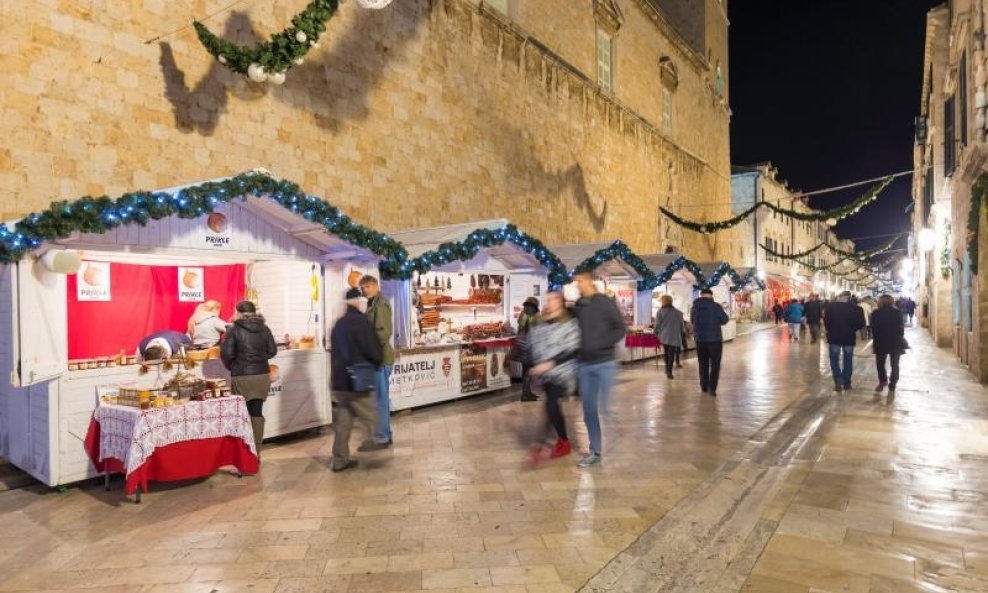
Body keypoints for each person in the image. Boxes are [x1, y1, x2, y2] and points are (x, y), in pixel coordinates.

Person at [329, 288, 389, 472]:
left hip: (339, 381)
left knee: (344, 421)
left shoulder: (339, 324)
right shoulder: (361, 322)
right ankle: (374, 440)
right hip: (358, 380)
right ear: (357, 301)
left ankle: (340, 459)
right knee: (370, 412)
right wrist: (378, 361)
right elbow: (372, 347)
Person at [572, 271, 626, 468]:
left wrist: (600, 344)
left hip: (604, 362)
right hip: (585, 364)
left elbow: (620, 328)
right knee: (588, 409)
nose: (577, 284)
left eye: (579, 281)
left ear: (589, 281)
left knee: (605, 407)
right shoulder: (579, 305)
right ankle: (595, 451)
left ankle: (618, 429)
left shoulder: (604, 302)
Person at [528, 291, 580, 463]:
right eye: (548, 299)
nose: (550, 302)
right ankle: (553, 442)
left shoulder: (569, 323)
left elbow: (573, 349)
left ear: (561, 302)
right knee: (551, 407)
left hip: (562, 372)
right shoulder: (542, 323)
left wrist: (550, 363)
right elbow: (534, 343)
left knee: (551, 405)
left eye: (554, 299)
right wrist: (535, 364)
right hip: (545, 373)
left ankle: (552, 442)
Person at [220, 301, 278, 455]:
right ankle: (256, 452)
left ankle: (244, 455)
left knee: (241, 415)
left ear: (238, 312)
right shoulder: (264, 328)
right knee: (256, 413)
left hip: (242, 376)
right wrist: (258, 359)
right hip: (261, 376)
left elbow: (227, 354)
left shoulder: (233, 330)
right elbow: (272, 351)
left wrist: (232, 366)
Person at [359, 275, 395, 447]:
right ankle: (385, 433)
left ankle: (382, 437)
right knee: (380, 398)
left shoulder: (380, 304)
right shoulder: (372, 304)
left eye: (366, 287)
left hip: (380, 358)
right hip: (377, 358)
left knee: (380, 399)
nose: (364, 290)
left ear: (375, 285)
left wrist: (368, 348)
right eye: (363, 287)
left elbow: (383, 333)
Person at [823, 291, 866, 392]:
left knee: (834, 359)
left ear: (840, 296)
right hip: (849, 338)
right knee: (848, 360)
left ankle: (838, 381)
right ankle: (846, 383)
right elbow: (861, 324)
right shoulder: (857, 309)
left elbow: (826, 321)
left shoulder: (831, 307)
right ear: (849, 298)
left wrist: (830, 330)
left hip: (834, 337)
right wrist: (852, 329)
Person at [691, 289, 729, 396]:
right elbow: (725, 319)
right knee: (715, 364)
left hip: (700, 339)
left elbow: (692, 321)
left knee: (703, 364)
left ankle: (703, 386)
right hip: (714, 340)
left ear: (701, 295)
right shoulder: (715, 306)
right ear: (711, 295)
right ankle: (712, 388)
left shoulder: (694, 307)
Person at [871, 295, 906, 394]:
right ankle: (893, 384)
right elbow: (901, 328)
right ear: (891, 302)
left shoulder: (876, 313)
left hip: (881, 341)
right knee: (895, 365)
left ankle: (883, 381)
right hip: (895, 341)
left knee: (880, 364)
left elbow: (874, 329)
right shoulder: (897, 313)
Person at [517, 297, 541, 402]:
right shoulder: (535, 316)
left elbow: (520, 328)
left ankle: (527, 392)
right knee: (529, 371)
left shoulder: (522, 314)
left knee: (525, 370)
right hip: (530, 346)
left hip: (521, 344)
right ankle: (525, 395)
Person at [654, 295, 684, 379]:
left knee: (666, 353)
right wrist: (681, 334)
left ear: (663, 301)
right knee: (671, 354)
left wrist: (655, 332)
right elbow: (682, 326)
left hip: (664, 336)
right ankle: (669, 371)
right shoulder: (679, 312)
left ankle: (667, 369)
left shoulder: (660, 312)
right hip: (675, 336)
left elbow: (657, 324)